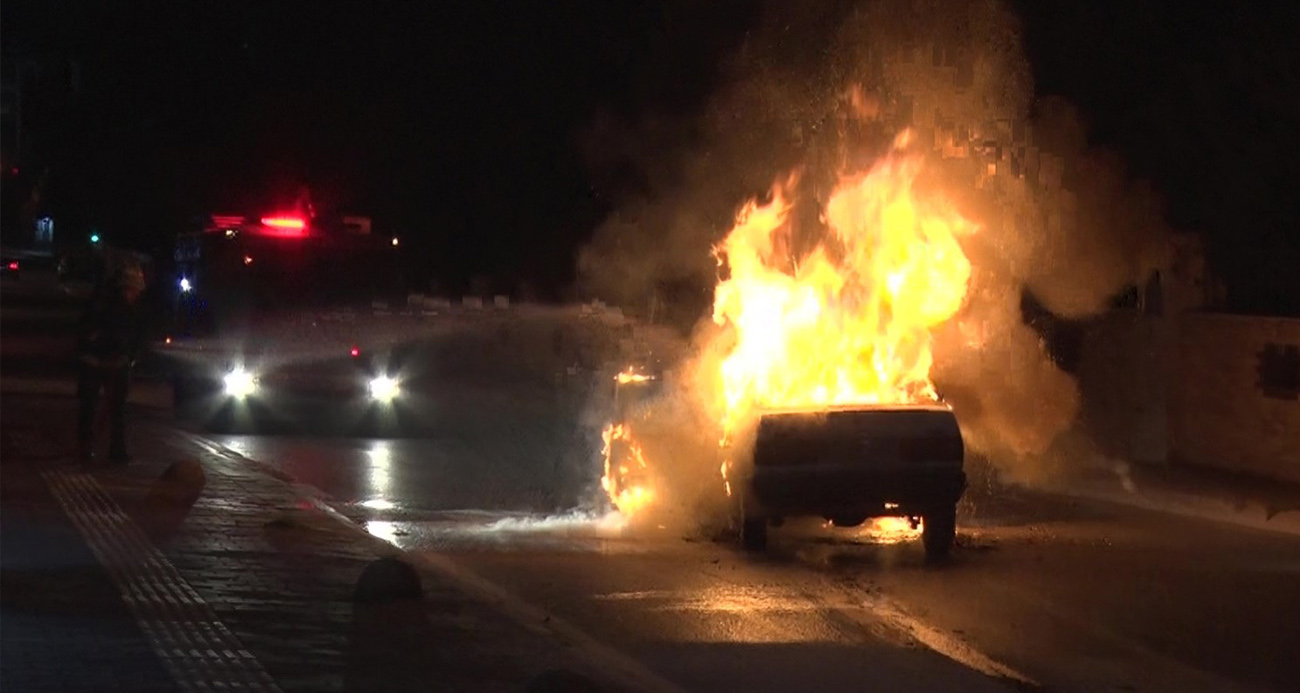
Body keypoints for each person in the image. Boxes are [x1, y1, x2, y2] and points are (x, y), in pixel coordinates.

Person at [76, 262, 146, 464]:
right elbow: (97, 332)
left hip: (114, 361)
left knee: (116, 409)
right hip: (95, 361)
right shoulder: (106, 304)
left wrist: (130, 354)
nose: (135, 295)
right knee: (92, 408)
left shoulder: (129, 307)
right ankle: (89, 448)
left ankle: (114, 449)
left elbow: (136, 333)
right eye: (133, 290)